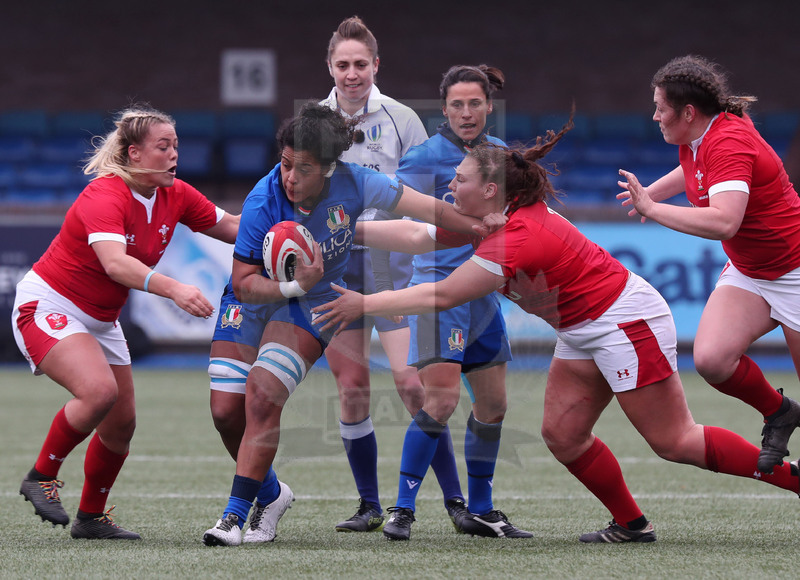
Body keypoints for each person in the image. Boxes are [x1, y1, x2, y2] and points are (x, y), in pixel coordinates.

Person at [313, 130, 800, 544]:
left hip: (623, 322)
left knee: (675, 442)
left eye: (460, 179)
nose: (450, 185)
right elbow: (418, 236)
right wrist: (344, 231)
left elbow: (440, 295)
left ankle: (793, 479)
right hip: (581, 328)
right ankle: (631, 524)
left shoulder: (517, 235)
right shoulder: (490, 217)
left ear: (489, 190)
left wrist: (363, 304)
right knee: (563, 436)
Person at [201, 102, 488, 547]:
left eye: (304, 169)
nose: (290, 177)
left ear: (331, 169)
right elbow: (242, 284)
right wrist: (296, 284)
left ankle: (233, 517)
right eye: (286, 163)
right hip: (255, 299)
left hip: (313, 304)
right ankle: (272, 494)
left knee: (262, 394)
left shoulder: (359, 183)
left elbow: (429, 209)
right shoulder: (263, 199)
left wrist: (481, 227)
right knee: (224, 413)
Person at [11, 104, 239, 540]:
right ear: (134, 154)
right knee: (98, 392)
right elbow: (116, 264)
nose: (174, 154)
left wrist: (284, 232)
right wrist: (174, 288)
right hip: (49, 304)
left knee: (120, 423)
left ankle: (91, 518)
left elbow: (232, 227)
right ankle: (41, 476)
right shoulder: (106, 194)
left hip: (101, 318)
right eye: (163, 146)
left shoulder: (176, 194)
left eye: (176, 145)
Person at [347, 63, 531, 541]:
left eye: (475, 104)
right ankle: (402, 509)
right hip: (438, 294)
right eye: (456, 105)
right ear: (443, 108)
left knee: (493, 405)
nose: (466, 113)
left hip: (483, 293)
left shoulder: (501, 158)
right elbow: (401, 226)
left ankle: (483, 509)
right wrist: (395, 294)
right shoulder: (425, 157)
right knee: (441, 400)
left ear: (490, 106)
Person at [617, 55, 800, 475]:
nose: (654, 116)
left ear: (688, 112)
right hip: (751, 270)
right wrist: (652, 194)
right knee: (713, 360)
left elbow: (724, 221)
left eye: (660, 107)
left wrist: (652, 209)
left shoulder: (729, 141)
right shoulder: (696, 135)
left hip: (794, 269)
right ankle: (782, 412)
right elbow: (693, 170)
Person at [318, 15, 466, 532]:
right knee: (353, 387)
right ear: (330, 67)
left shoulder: (403, 119)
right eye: (343, 64)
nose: (352, 73)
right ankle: (369, 506)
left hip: (393, 268)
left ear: (375, 65)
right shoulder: (314, 121)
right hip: (334, 271)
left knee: (411, 384)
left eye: (361, 64)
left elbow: (425, 199)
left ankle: (455, 502)